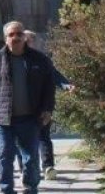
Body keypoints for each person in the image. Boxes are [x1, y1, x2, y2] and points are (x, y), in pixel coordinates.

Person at [0, 21, 56, 194]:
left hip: (30, 118)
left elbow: (49, 86)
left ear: (24, 36)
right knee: (4, 157)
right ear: (5, 38)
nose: (15, 37)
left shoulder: (39, 59)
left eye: (19, 34)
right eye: (11, 34)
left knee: (30, 158)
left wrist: (47, 109)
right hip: (3, 119)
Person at [24, 31, 72, 181]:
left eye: (33, 40)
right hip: (22, 107)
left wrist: (66, 85)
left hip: (41, 105)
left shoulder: (42, 60)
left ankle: (48, 166)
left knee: (44, 136)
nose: (32, 43)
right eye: (30, 41)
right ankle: (30, 167)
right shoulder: (15, 60)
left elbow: (54, 75)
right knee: (26, 139)